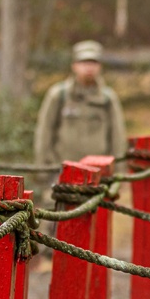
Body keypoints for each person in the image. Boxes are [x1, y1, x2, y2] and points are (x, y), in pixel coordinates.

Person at [33, 40, 127, 201]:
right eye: (84, 62)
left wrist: (117, 174)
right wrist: (43, 170)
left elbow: (117, 137)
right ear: (74, 65)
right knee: (56, 221)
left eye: (93, 62)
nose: (89, 67)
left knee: (94, 220)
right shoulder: (59, 95)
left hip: (98, 176)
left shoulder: (107, 99)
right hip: (61, 173)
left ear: (100, 66)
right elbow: (44, 133)